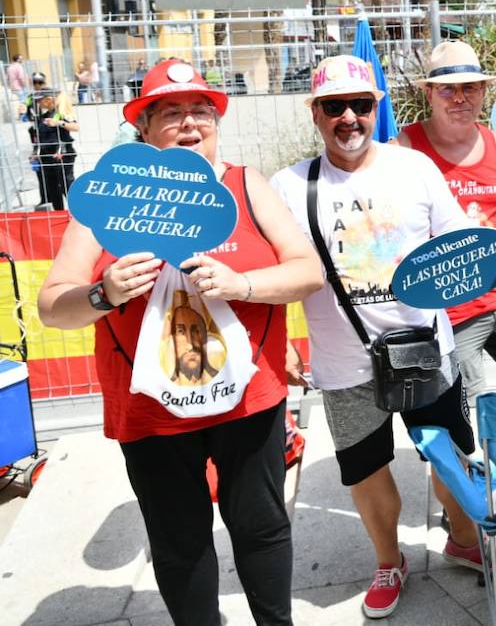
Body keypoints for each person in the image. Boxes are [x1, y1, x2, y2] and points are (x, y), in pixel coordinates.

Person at [37, 58, 325, 626]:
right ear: (143, 129)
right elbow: (53, 307)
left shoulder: (245, 184)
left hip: (247, 397)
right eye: (172, 113)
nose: (191, 124)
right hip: (149, 409)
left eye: (202, 112)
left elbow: (307, 271)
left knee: (260, 526)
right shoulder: (109, 199)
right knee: (179, 540)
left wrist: (242, 283)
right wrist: (104, 293)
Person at [270, 55, 496, 621]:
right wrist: (281, 339)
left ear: (376, 108)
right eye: (335, 107)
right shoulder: (289, 185)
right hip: (343, 361)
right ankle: (390, 560)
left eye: (360, 105)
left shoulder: (414, 169)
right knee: (364, 469)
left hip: (427, 349)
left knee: (452, 456)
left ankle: (462, 541)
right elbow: (278, 266)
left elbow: (458, 241)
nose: (349, 118)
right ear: (316, 113)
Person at [398, 41, 496, 405]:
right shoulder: (405, 148)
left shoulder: (495, 143)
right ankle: (464, 463)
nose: (459, 98)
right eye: (447, 89)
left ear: (483, 91)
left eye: (470, 87)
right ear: (430, 94)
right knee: (463, 407)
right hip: (450, 305)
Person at [28, 90, 78, 210]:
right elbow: (39, 137)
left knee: (67, 185)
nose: (38, 103)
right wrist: (35, 153)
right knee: (53, 189)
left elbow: (75, 127)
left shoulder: (61, 113)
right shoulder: (42, 117)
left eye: (40, 100)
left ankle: (79, 212)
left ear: (49, 99)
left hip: (62, 155)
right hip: (46, 157)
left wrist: (58, 123)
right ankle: (58, 215)